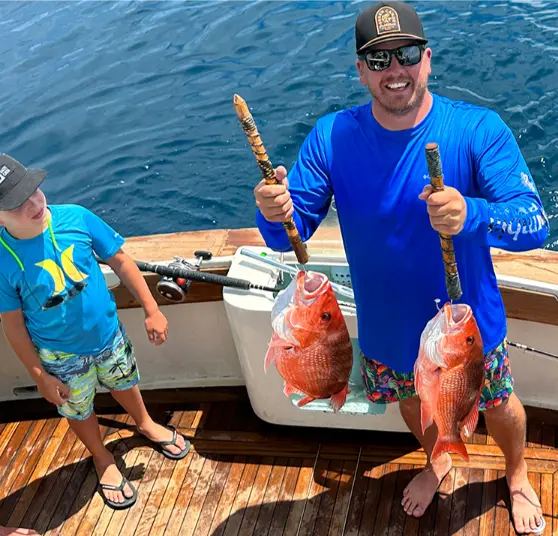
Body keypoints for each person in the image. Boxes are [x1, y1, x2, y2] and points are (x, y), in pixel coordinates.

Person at [253, 1, 550, 534]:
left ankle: (518, 472)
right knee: (412, 401)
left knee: (501, 404)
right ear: (361, 69)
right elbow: (285, 233)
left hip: (467, 330)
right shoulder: (331, 137)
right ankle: (437, 460)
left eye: (406, 54)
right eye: (378, 58)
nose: (395, 70)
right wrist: (273, 211)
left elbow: (535, 224)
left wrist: (472, 213)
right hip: (387, 329)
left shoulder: (477, 129)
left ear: (428, 59)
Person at [0, 154, 190, 510]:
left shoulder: (76, 216)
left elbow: (121, 260)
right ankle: (102, 457)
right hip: (59, 356)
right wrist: (39, 375)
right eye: (16, 203)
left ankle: (146, 423)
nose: (33, 203)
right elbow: (12, 325)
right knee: (78, 409)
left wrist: (152, 309)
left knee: (125, 382)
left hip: (108, 335)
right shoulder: (2, 257)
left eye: (34, 191)